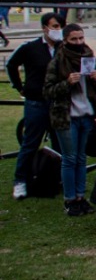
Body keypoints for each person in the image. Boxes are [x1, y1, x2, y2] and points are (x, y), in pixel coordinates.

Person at [43, 23, 96, 216]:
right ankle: (70, 199)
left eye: (81, 38)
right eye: (73, 39)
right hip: (66, 116)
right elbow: (48, 91)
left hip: (86, 115)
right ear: (66, 40)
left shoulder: (90, 57)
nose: (78, 42)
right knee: (69, 158)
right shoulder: (57, 61)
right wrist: (67, 83)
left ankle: (80, 195)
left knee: (81, 157)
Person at [8, 12, 65, 199]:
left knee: (58, 142)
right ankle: (20, 180)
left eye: (60, 27)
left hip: (57, 101)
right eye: (54, 26)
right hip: (36, 101)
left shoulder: (62, 48)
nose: (57, 30)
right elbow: (11, 64)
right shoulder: (30, 48)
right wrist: (19, 86)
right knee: (31, 141)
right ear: (44, 28)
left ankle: (56, 177)